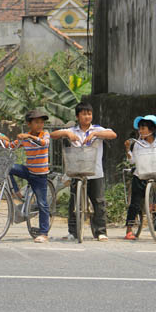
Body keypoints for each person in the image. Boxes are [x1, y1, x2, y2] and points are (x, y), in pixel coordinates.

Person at [51, 102, 116, 242]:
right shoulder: (73, 130)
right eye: (84, 114)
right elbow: (53, 134)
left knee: (98, 202)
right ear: (77, 116)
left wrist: (95, 134)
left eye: (89, 113)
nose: (87, 116)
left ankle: (100, 232)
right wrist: (66, 133)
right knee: (74, 202)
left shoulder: (97, 129)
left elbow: (113, 134)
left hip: (95, 171)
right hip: (77, 171)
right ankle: (73, 232)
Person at [8, 110, 51, 243]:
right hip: (28, 170)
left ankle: (44, 232)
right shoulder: (25, 138)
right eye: (36, 122)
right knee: (8, 167)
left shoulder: (45, 134)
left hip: (40, 175)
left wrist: (29, 137)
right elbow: (11, 146)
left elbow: (44, 143)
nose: (40, 125)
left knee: (42, 203)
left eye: (41, 122)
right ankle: (15, 191)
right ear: (29, 124)